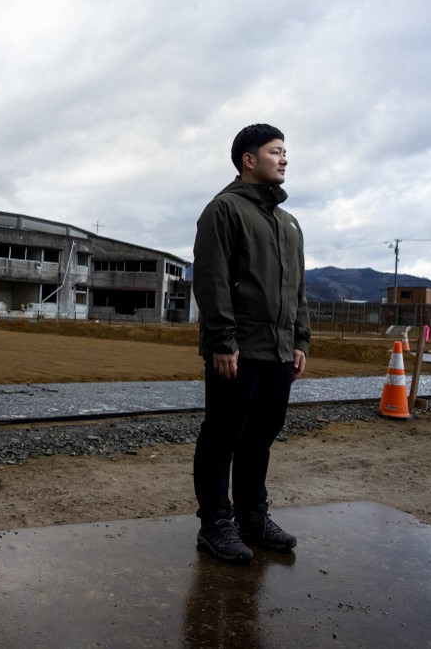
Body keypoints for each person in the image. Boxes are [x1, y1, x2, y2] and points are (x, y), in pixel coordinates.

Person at [191, 123, 311, 563]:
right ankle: (216, 524)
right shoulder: (223, 210)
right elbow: (211, 280)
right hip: (238, 352)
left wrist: (300, 339)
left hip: (279, 352)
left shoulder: (289, 223)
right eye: (276, 151)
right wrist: (222, 341)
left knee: (260, 439)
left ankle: (252, 517)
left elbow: (297, 288)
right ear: (249, 159)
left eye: (285, 152)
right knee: (221, 437)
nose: (284, 159)